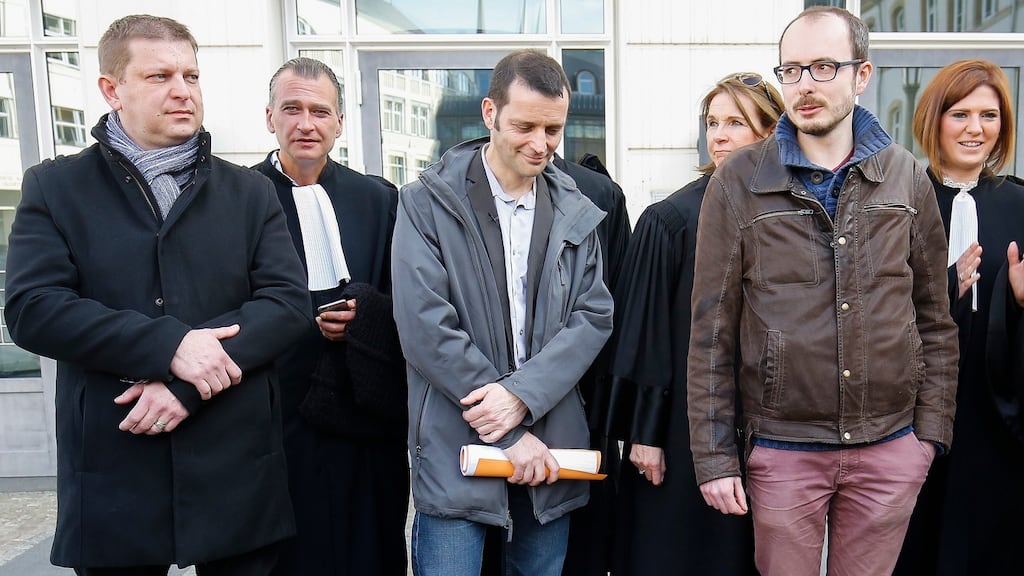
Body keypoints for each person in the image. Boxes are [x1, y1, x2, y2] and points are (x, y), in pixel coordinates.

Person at [3, 15, 311, 575]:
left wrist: (186, 383)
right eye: (159, 76)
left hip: (235, 467)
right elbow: (33, 308)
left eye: (191, 75)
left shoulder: (249, 193)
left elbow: (287, 306)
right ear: (111, 89)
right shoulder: (56, 187)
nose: (182, 91)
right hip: (115, 466)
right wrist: (170, 346)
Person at [686, 6, 959, 576]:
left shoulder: (907, 176)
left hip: (890, 446)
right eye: (792, 70)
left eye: (824, 68)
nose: (804, 86)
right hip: (784, 448)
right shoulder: (739, 182)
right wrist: (714, 459)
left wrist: (927, 437)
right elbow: (711, 334)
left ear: (862, 76)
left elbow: (935, 318)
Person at [390, 49, 614, 576]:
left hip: (550, 439)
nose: (540, 144)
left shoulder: (577, 209)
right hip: (455, 437)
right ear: (489, 113)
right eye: (525, 126)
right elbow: (425, 324)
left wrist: (521, 398)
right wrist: (509, 428)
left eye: (553, 129)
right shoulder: (426, 202)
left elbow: (593, 316)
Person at [610, 72, 784, 576]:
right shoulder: (671, 219)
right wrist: (646, 434)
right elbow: (643, 335)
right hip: (679, 432)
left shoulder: (791, 216)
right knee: (675, 553)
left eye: (736, 122)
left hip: (765, 430)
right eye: (713, 122)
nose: (719, 135)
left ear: (772, 132)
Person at [254, 57, 408, 576]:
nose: (306, 123)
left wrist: (367, 315)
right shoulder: (237, 196)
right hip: (274, 414)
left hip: (363, 412)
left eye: (320, 111)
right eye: (292, 109)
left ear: (339, 123)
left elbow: (407, 295)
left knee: (368, 547)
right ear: (269, 117)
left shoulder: (378, 198)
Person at [893, 59, 1024, 576]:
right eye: (961, 113)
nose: (976, 128)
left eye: (989, 115)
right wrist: (945, 287)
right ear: (933, 119)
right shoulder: (897, 203)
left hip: (997, 417)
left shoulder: (1021, 204)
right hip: (912, 416)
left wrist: (1018, 302)